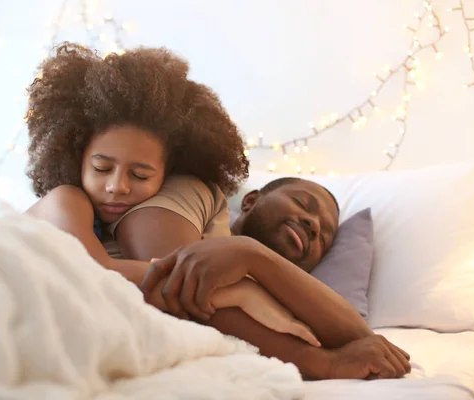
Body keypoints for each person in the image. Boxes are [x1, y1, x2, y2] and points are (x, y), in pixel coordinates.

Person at [24, 43, 318, 346]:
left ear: (167, 176)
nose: (117, 186)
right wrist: (240, 290)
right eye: (101, 168)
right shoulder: (66, 200)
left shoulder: (126, 223)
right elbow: (97, 270)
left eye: (140, 175)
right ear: (75, 157)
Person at [115, 174, 411, 380]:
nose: (312, 225)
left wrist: (256, 258)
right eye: (303, 204)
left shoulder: (292, 303)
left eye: (324, 236)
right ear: (250, 201)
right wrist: (325, 363)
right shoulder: (199, 195)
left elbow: (359, 340)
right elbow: (178, 282)